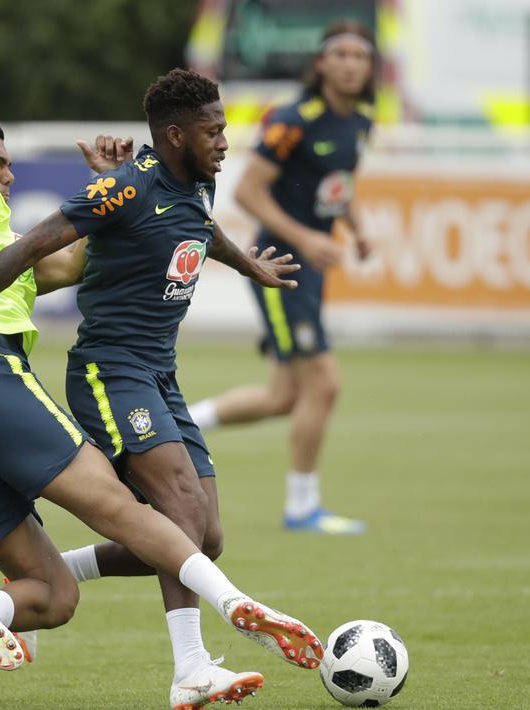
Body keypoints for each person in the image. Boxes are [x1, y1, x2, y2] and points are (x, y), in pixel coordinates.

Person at [0, 19, 320, 707]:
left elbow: (73, 258)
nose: (8, 173)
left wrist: (238, 261)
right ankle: (231, 617)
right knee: (142, 510)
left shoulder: (1, 225)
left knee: (53, 595)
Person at [188, 21, 376, 535]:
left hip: (311, 266)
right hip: (279, 265)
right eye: (339, 53)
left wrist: (355, 228)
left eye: (360, 55)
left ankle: (182, 424)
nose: (350, 63)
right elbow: (248, 192)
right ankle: (301, 506)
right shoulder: (294, 119)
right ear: (320, 64)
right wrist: (306, 237)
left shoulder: (360, 118)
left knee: (283, 396)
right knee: (325, 383)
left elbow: (340, 182)